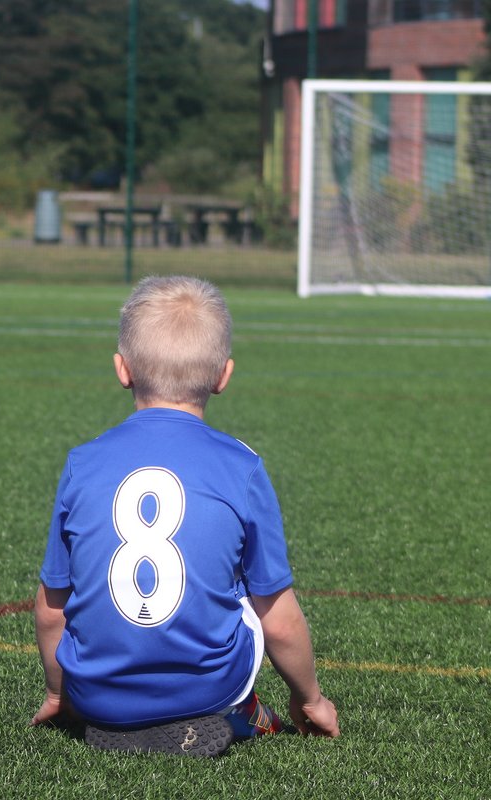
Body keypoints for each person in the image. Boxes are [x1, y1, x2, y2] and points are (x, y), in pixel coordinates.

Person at [32, 276, 339, 757]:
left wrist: (59, 695)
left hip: (95, 699)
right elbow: (278, 621)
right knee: (249, 592)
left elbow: (52, 610)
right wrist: (311, 699)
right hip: (208, 693)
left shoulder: (82, 461)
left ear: (122, 369)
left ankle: (127, 709)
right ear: (223, 376)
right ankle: (241, 712)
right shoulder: (242, 466)